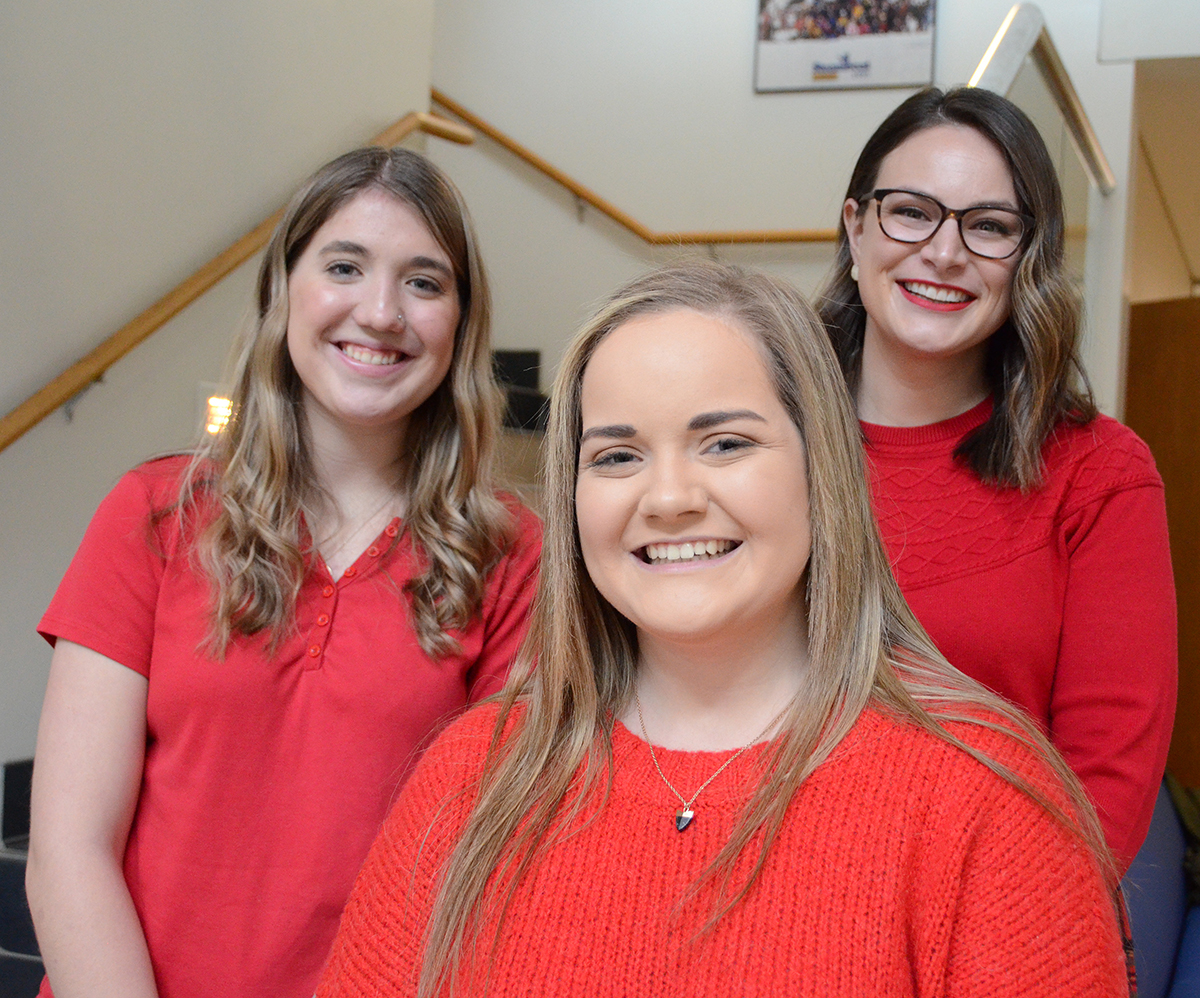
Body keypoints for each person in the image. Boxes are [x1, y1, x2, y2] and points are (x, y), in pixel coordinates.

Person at [316, 262, 1129, 998]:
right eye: (617, 457)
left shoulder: (986, 800)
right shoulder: (468, 779)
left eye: (726, 442)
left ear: (823, 467)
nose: (668, 497)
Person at [25, 147, 541, 998]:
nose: (380, 312)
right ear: (283, 292)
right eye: (344, 266)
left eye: (424, 282)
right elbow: (67, 847)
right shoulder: (154, 514)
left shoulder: (511, 555)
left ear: (461, 321)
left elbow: (485, 872)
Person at [817, 86, 1177, 871]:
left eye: (988, 227)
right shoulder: (762, 439)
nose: (944, 252)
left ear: (1027, 257)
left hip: (999, 914)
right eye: (910, 211)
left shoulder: (1098, 473)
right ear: (855, 225)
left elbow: (1105, 789)